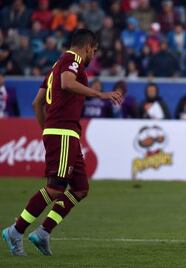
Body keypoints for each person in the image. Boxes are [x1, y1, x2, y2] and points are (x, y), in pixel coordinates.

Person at [2, 29, 122, 256]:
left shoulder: (55, 66)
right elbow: (67, 84)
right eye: (94, 52)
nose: (93, 57)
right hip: (64, 131)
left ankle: (43, 232)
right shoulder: (72, 60)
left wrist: (46, 129)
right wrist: (100, 95)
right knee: (56, 188)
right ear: (87, 47)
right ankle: (15, 231)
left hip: (63, 132)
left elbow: (37, 103)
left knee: (80, 189)